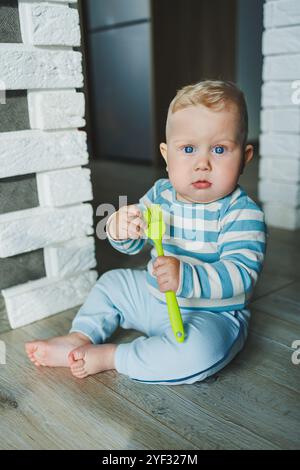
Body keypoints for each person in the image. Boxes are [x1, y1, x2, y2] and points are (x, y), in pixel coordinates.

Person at [25, 80, 268, 385]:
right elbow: (135, 242)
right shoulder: (160, 194)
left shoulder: (243, 213)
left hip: (210, 315)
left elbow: (241, 273)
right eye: (188, 149)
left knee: (202, 352)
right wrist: (120, 229)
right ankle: (79, 336)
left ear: (244, 157)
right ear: (167, 156)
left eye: (219, 149)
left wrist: (187, 277)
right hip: (152, 299)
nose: (202, 164)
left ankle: (112, 356)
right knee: (112, 282)